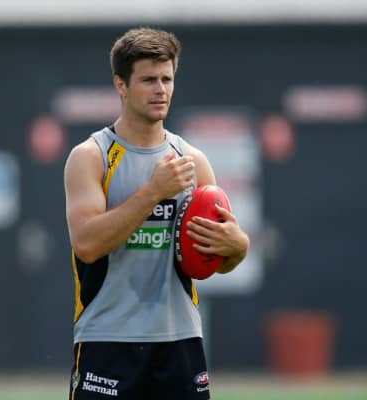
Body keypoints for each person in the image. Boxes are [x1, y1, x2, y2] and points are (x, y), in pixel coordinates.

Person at [63, 27, 249, 400]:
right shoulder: (92, 157)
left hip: (180, 341)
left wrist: (237, 248)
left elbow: (213, 261)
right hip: (108, 340)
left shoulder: (192, 161)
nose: (160, 90)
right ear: (121, 85)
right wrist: (153, 192)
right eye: (148, 80)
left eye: (167, 79)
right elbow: (87, 244)